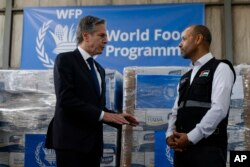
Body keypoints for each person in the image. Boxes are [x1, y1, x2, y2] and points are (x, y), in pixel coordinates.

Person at [45, 15, 139, 167]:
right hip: (71, 144)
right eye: (101, 35)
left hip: (93, 146)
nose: (106, 40)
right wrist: (103, 115)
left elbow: (96, 107)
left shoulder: (99, 69)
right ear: (86, 36)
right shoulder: (65, 60)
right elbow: (66, 99)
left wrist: (118, 118)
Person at [166, 25, 235, 167]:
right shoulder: (185, 77)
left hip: (209, 152)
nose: (180, 44)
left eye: (184, 39)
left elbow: (219, 109)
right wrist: (169, 135)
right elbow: (175, 111)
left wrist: (191, 137)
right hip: (182, 152)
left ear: (198, 39)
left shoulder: (221, 68)